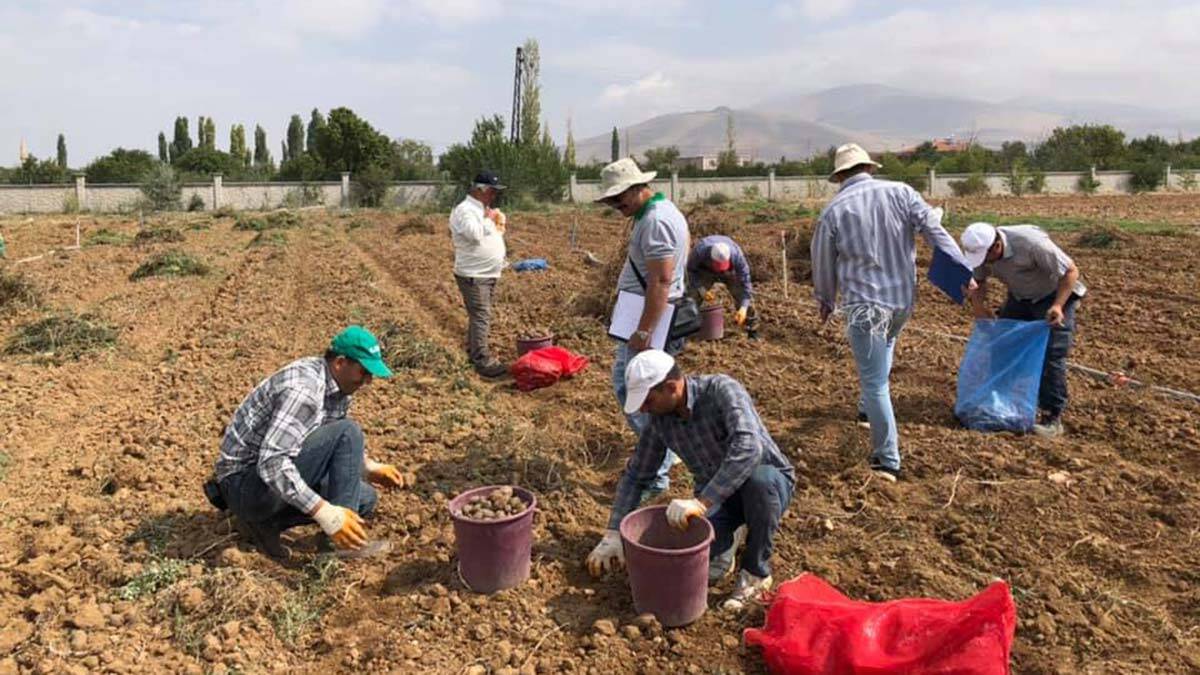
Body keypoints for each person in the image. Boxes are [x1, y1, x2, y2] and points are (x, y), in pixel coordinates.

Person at [586, 350, 796, 611]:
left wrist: (703, 502)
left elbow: (749, 448)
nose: (643, 409)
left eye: (648, 401)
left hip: (767, 483)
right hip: (720, 498)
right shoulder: (659, 421)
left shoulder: (721, 390)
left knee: (759, 481)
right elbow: (637, 476)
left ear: (671, 387)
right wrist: (613, 533)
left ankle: (755, 573)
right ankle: (729, 540)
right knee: (698, 562)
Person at [810, 143, 972, 482]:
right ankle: (866, 410)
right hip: (902, 302)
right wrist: (961, 269)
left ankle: (887, 461)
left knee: (874, 382)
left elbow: (823, 263)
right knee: (882, 355)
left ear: (839, 176)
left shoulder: (833, 210)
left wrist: (824, 299)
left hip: (865, 307)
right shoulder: (902, 192)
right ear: (869, 168)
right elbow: (934, 229)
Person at [208, 326, 402, 560]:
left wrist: (368, 467)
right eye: (364, 372)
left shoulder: (337, 387)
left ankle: (266, 525)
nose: (368, 381)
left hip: (262, 484)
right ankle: (336, 547)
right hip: (245, 486)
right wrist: (328, 515)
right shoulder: (304, 390)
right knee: (348, 432)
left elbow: (324, 441)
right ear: (340, 363)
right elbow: (272, 463)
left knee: (364, 498)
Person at [595, 157, 691, 502]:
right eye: (610, 199)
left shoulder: (656, 221)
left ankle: (658, 466)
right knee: (640, 389)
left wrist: (644, 330)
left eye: (619, 196)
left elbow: (662, 280)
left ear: (639, 188)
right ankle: (663, 455)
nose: (615, 204)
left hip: (650, 322)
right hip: (646, 318)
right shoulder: (655, 215)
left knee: (634, 391)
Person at [960, 222, 1086, 437]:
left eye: (986, 257)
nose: (983, 262)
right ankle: (999, 404)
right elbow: (978, 281)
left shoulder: (1031, 244)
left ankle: (1052, 417)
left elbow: (1071, 272)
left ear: (996, 245)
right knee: (1003, 346)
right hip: (1020, 297)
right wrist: (979, 307)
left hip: (1053, 295)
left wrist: (1057, 305)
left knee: (1050, 355)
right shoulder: (982, 251)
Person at [450, 171, 510, 378]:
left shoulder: (483, 210)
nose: (494, 196)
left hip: (487, 273)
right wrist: (488, 219)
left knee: (480, 315)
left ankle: (475, 350)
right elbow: (474, 234)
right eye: (492, 191)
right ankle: (481, 360)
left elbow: (491, 235)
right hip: (474, 274)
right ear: (480, 190)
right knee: (481, 315)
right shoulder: (464, 210)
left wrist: (497, 223)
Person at [687, 235, 759, 339]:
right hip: (706, 271)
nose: (720, 270)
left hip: (730, 272)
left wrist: (743, 307)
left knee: (743, 297)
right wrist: (701, 289)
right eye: (717, 266)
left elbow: (746, 283)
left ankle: (752, 330)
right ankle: (688, 327)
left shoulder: (737, 257)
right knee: (692, 296)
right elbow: (691, 271)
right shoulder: (699, 251)